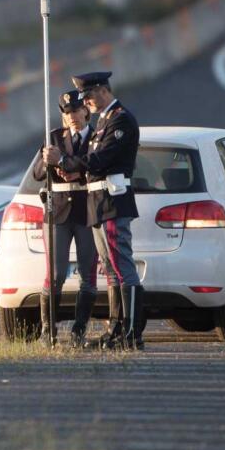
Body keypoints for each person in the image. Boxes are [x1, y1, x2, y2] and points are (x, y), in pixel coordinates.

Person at [44, 71, 144, 350]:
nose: (86, 104)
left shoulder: (121, 118)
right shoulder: (104, 120)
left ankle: (132, 332)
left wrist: (65, 160)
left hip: (113, 200)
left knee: (123, 269)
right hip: (99, 201)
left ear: (102, 91)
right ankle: (116, 328)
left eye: (87, 98)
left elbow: (102, 158)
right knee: (111, 270)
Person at [32, 91, 100, 347]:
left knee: (87, 273)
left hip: (86, 211)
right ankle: (47, 331)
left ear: (86, 111)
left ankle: (78, 330)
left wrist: (75, 168)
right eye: (67, 112)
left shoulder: (96, 137)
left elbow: (99, 164)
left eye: (76, 111)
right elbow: (38, 173)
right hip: (57, 212)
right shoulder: (53, 138)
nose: (72, 117)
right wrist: (47, 161)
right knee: (56, 273)